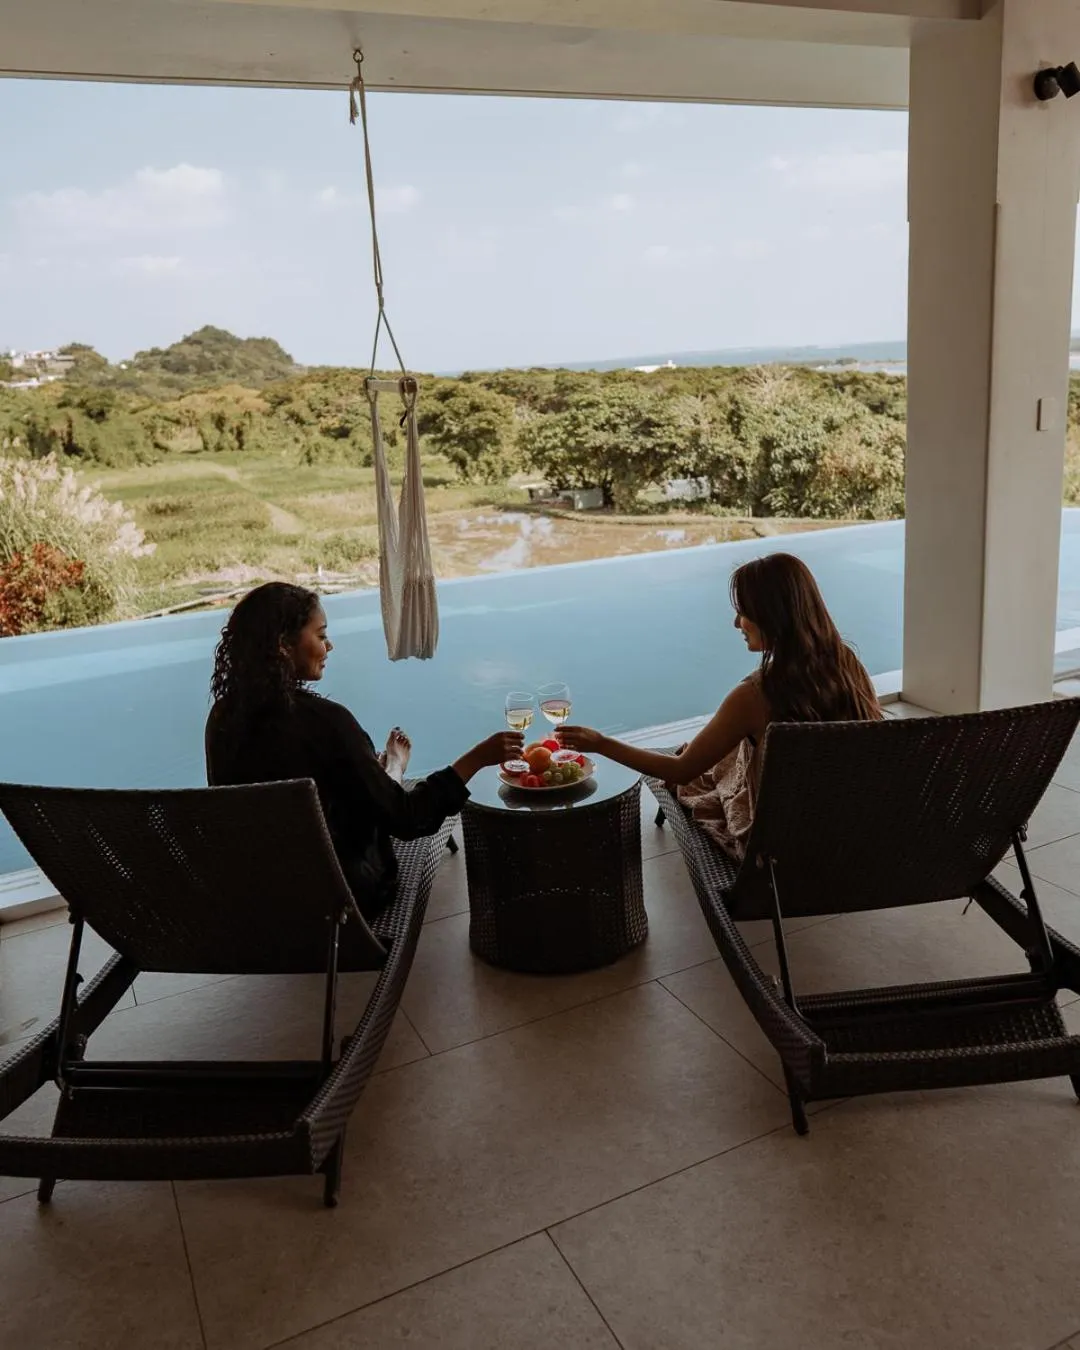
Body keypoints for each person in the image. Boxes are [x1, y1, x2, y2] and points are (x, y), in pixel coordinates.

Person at [205, 582, 523, 919]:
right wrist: (477, 758)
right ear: (283, 645)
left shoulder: (222, 718)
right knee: (383, 801)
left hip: (260, 899)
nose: (329, 645)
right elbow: (407, 819)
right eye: (321, 635)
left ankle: (388, 772)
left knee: (356, 792)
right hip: (339, 901)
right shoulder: (328, 723)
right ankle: (393, 770)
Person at [558, 552, 881, 859]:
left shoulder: (754, 696)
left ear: (772, 616)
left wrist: (600, 743)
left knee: (702, 769)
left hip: (779, 851)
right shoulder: (846, 663)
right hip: (848, 830)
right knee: (729, 753)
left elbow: (681, 771)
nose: (737, 623)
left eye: (743, 613)